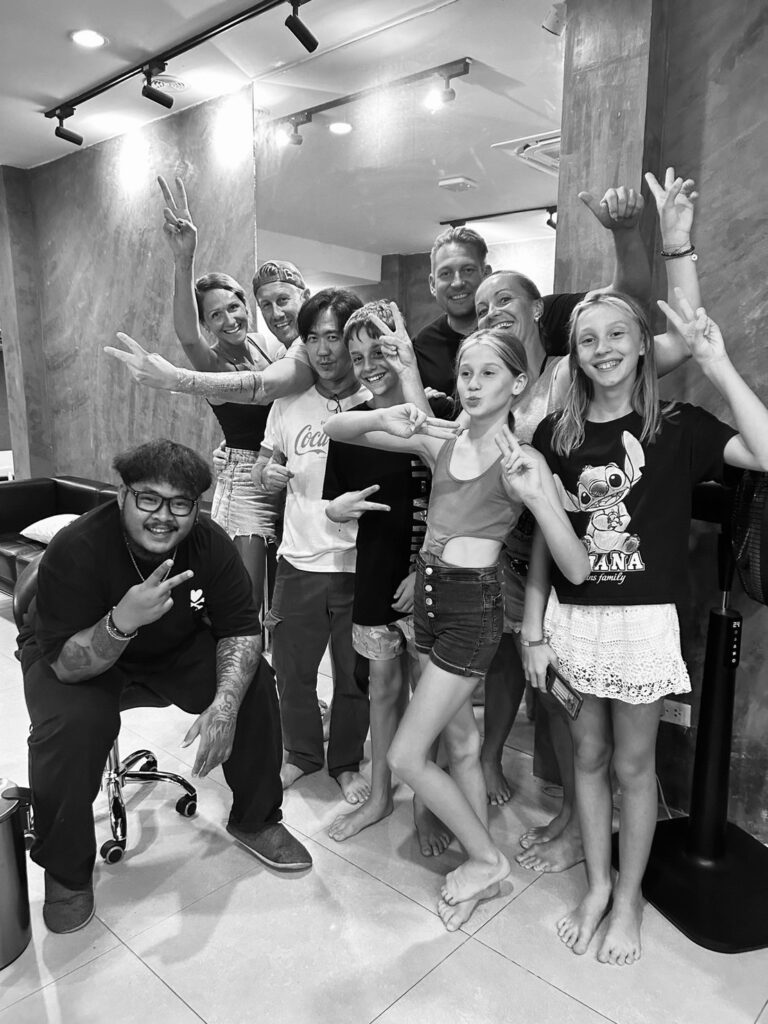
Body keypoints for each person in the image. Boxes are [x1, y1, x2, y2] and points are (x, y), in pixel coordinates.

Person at [524, 289, 768, 965]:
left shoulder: (679, 426)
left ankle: (629, 897)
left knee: (634, 767)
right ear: (573, 355)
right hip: (572, 622)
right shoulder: (555, 435)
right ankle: (598, 886)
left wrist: (715, 361)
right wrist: (533, 629)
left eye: (616, 334)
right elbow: (545, 533)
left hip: (642, 626)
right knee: (587, 758)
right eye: (588, 339)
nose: (603, 349)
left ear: (641, 345)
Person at [324, 329, 590, 931]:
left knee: (406, 755)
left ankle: (489, 860)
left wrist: (537, 498)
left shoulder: (525, 460)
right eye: (466, 373)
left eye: (489, 373)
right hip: (430, 601)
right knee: (463, 745)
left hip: (472, 609)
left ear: (518, 384)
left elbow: (575, 566)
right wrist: (388, 416)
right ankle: (480, 864)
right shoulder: (441, 439)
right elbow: (336, 428)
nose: (472, 385)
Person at [477, 169, 702, 874]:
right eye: (483, 307)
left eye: (505, 300)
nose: (493, 313)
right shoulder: (489, 380)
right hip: (524, 560)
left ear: (536, 311)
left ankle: (583, 830)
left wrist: (639, 239)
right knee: (558, 709)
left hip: (594, 569)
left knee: (593, 733)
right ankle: (577, 825)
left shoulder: (569, 373)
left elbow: (642, 323)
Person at [20, 439, 312, 935]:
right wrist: (121, 621)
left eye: (180, 504)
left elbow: (242, 630)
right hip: (75, 652)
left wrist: (224, 707)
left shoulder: (209, 543)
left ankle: (257, 818)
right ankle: (66, 871)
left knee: (253, 684)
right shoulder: (78, 546)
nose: (163, 517)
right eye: (149, 499)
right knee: (73, 725)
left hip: (171, 649)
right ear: (122, 495)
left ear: (196, 507)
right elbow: (67, 666)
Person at [321, 300, 434, 843]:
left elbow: (453, 497)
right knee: (383, 687)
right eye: (359, 356)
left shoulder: (434, 409)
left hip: (428, 578)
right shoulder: (353, 426)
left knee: (429, 694)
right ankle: (382, 796)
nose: (369, 366)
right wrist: (335, 510)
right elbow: (334, 502)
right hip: (374, 573)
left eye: (380, 351)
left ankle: (428, 806)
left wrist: (422, 570)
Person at [254, 289, 371, 801]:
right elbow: (264, 464)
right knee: (292, 672)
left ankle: (345, 761)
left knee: (354, 676)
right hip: (298, 561)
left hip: (359, 565)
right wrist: (266, 474)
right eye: (313, 338)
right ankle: (301, 753)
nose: (324, 350)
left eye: (335, 337)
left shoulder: (376, 399)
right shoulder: (287, 403)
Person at [156, 176, 288, 613]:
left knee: (281, 596)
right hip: (245, 483)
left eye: (233, 307)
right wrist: (184, 260)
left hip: (284, 472)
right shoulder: (212, 363)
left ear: (246, 305)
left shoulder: (265, 346)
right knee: (247, 602)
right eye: (215, 315)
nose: (229, 319)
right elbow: (185, 336)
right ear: (207, 324)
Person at [412, 184, 652, 397]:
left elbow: (626, 299)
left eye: (467, 270)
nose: (457, 282)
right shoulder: (422, 348)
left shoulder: (548, 318)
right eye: (445, 274)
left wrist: (625, 233)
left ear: (486, 274)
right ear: (432, 284)